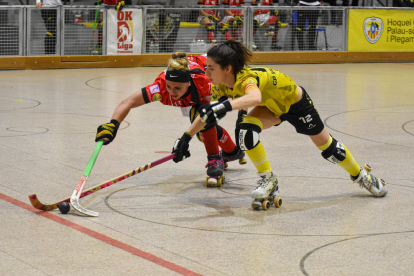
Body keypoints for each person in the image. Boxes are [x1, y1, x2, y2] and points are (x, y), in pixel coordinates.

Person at [171, 40, 388, 210]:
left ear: (227, 69)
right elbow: (208, 114)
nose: (206, 73)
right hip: (271, 108)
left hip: (295, 104)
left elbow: (254, 98)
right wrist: (186, 137)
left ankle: (361, 176)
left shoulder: (247, 79)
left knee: (328, 148)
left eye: (210, 69)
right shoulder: (221, 86)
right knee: (246, 134)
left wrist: (223, 107)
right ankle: (268, 180)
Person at [95, 52, 246, 186]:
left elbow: (240, 96)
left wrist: (242, 116)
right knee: (201, 128)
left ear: (188, 83)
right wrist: (112, 125)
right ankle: (233, 152)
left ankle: (215, 159)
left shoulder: (204, 83)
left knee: (203, 117)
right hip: (190, 92)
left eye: (178, 88)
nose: (172, 92)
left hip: (203, 79)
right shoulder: (159, 88)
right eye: (170, 86)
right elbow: (127, 103)